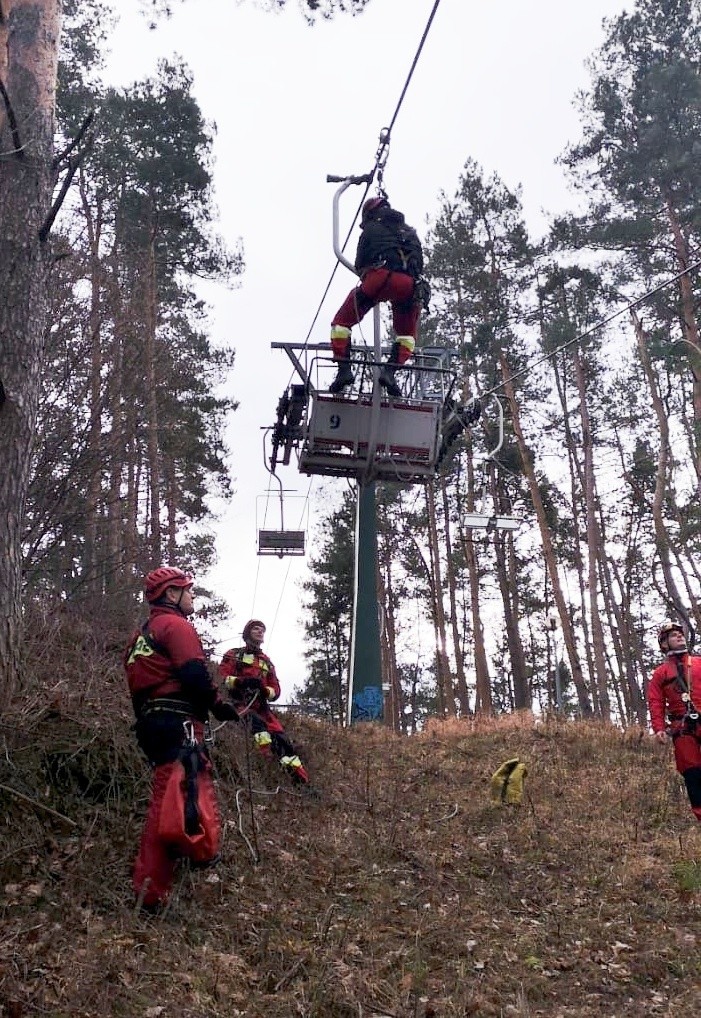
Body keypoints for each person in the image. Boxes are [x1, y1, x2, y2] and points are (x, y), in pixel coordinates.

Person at [124, 566, 239, 911]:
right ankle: (152, 892)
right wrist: (218, 705)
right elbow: (193, 675)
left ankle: (196, 854)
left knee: (175, 795)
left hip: (152, 722)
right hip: (178, 722)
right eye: (188, 590)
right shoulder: (175, 626)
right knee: (170, 802)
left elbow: (138, 690)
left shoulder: (139, 637)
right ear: (171, 594)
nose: (192, 596)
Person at [329, 196, 426, 399]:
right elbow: (420, 263)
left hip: (380, 278)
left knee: (341, 322)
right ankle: (390, 373)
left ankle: (344, 370)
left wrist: (367, 276)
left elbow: (360, 261)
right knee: (407, 336)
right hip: (410, 286)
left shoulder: (371, 229)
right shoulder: (411, 232)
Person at [219, 620, 310, 786]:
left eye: (262, 630)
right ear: (247, 633)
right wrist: (241, 682)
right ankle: (266, 767)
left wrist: (265, 690)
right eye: (256, 628)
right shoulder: (234, 655)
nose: (260, 632)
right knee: (258, 728)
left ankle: (301, 782)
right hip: (240, 704)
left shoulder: (266, 661)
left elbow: (276, 690)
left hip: (262, 708)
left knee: (283, 742)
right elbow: (221, 678)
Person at [648, 620, 701, 825]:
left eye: (680, 634)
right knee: (692, 773)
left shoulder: (697, 663)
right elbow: (656, 701)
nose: (679, 636)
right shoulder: (660, 673)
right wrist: (659, 728)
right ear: (664, 644)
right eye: (673, 636)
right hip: (682, 728)